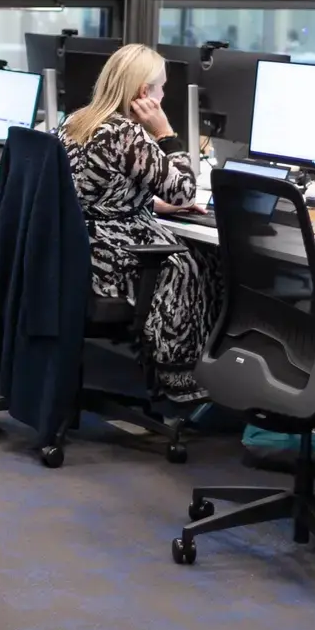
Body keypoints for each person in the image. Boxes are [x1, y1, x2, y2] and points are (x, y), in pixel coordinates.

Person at [59, 43, 219, 402]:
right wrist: (166, 135)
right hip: (110, 260)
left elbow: (98, 189)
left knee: (192, 255)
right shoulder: (125, 133)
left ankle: (175, 362)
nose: (164, 94)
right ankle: (177, 375)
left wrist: (150, 203)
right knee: (196, 262)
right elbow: (185, 191)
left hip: (78, 250)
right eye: (161, 87)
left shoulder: (76, 120)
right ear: (144, 93)